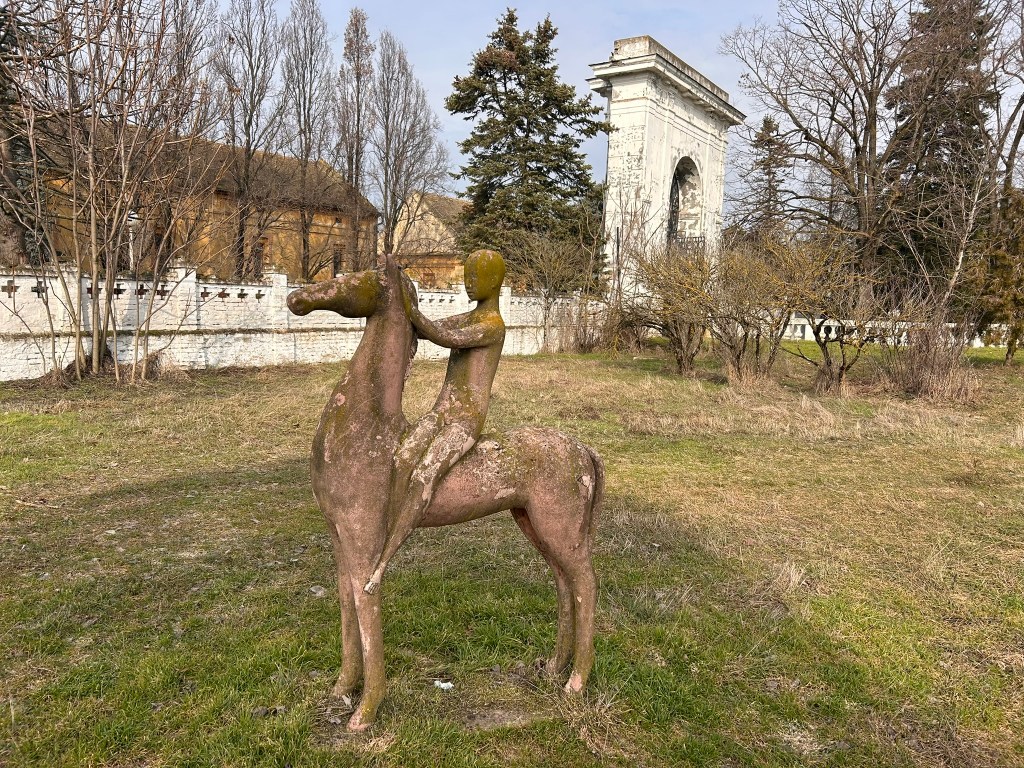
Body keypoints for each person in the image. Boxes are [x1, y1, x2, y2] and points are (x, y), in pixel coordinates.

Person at [364, 249, 506, 594]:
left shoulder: (491, 326)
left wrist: (405, 299)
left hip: (465, 420)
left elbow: (444, 337)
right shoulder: (470, 317)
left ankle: (384, 561)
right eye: (466, 276)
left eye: (476, 278)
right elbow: (432, 328)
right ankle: (387, 526)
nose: (468, 284)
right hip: (440, 411)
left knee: (426, 473)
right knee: (401, 458)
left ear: (494, 281)